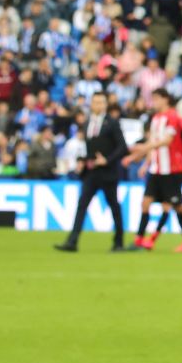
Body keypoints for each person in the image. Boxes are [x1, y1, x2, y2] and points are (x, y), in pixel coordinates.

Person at [123, 89, 182, 253]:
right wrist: (142, 161)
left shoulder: (173, 118)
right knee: (146, 203)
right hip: (157, 170)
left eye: (155, 99)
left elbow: (167, 142)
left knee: (177, 206)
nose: (153, 102)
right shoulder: (155, 119)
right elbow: (154, 145)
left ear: (165, 100)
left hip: (173, 170)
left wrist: (140, 149)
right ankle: (139, 240)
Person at [55, 93, 129, 253]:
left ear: (105, 104)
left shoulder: (113, 123)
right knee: (82, 205)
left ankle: (119, 242)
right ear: (91, 104)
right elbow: (89, 147)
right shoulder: (87, 122)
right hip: (91, 172)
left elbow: (122, 147)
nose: (98, 105)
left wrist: (107, 160)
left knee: (114, 206)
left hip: (108, 172)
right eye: (95, 102)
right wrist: (83, 160)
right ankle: (72, 241)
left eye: (101, 102)